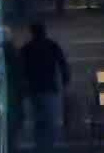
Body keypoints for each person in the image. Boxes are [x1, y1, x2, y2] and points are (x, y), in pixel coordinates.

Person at [19, 21, 70, 153]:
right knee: (49, 118)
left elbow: (21, 69)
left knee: (38, 118)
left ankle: (40, 144)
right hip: (49, 87)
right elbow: (62, 64)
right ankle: (48, 145)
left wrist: (23, 86)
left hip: (34, 88)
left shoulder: (26, 49)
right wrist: (65, 81)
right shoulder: (52, 46)